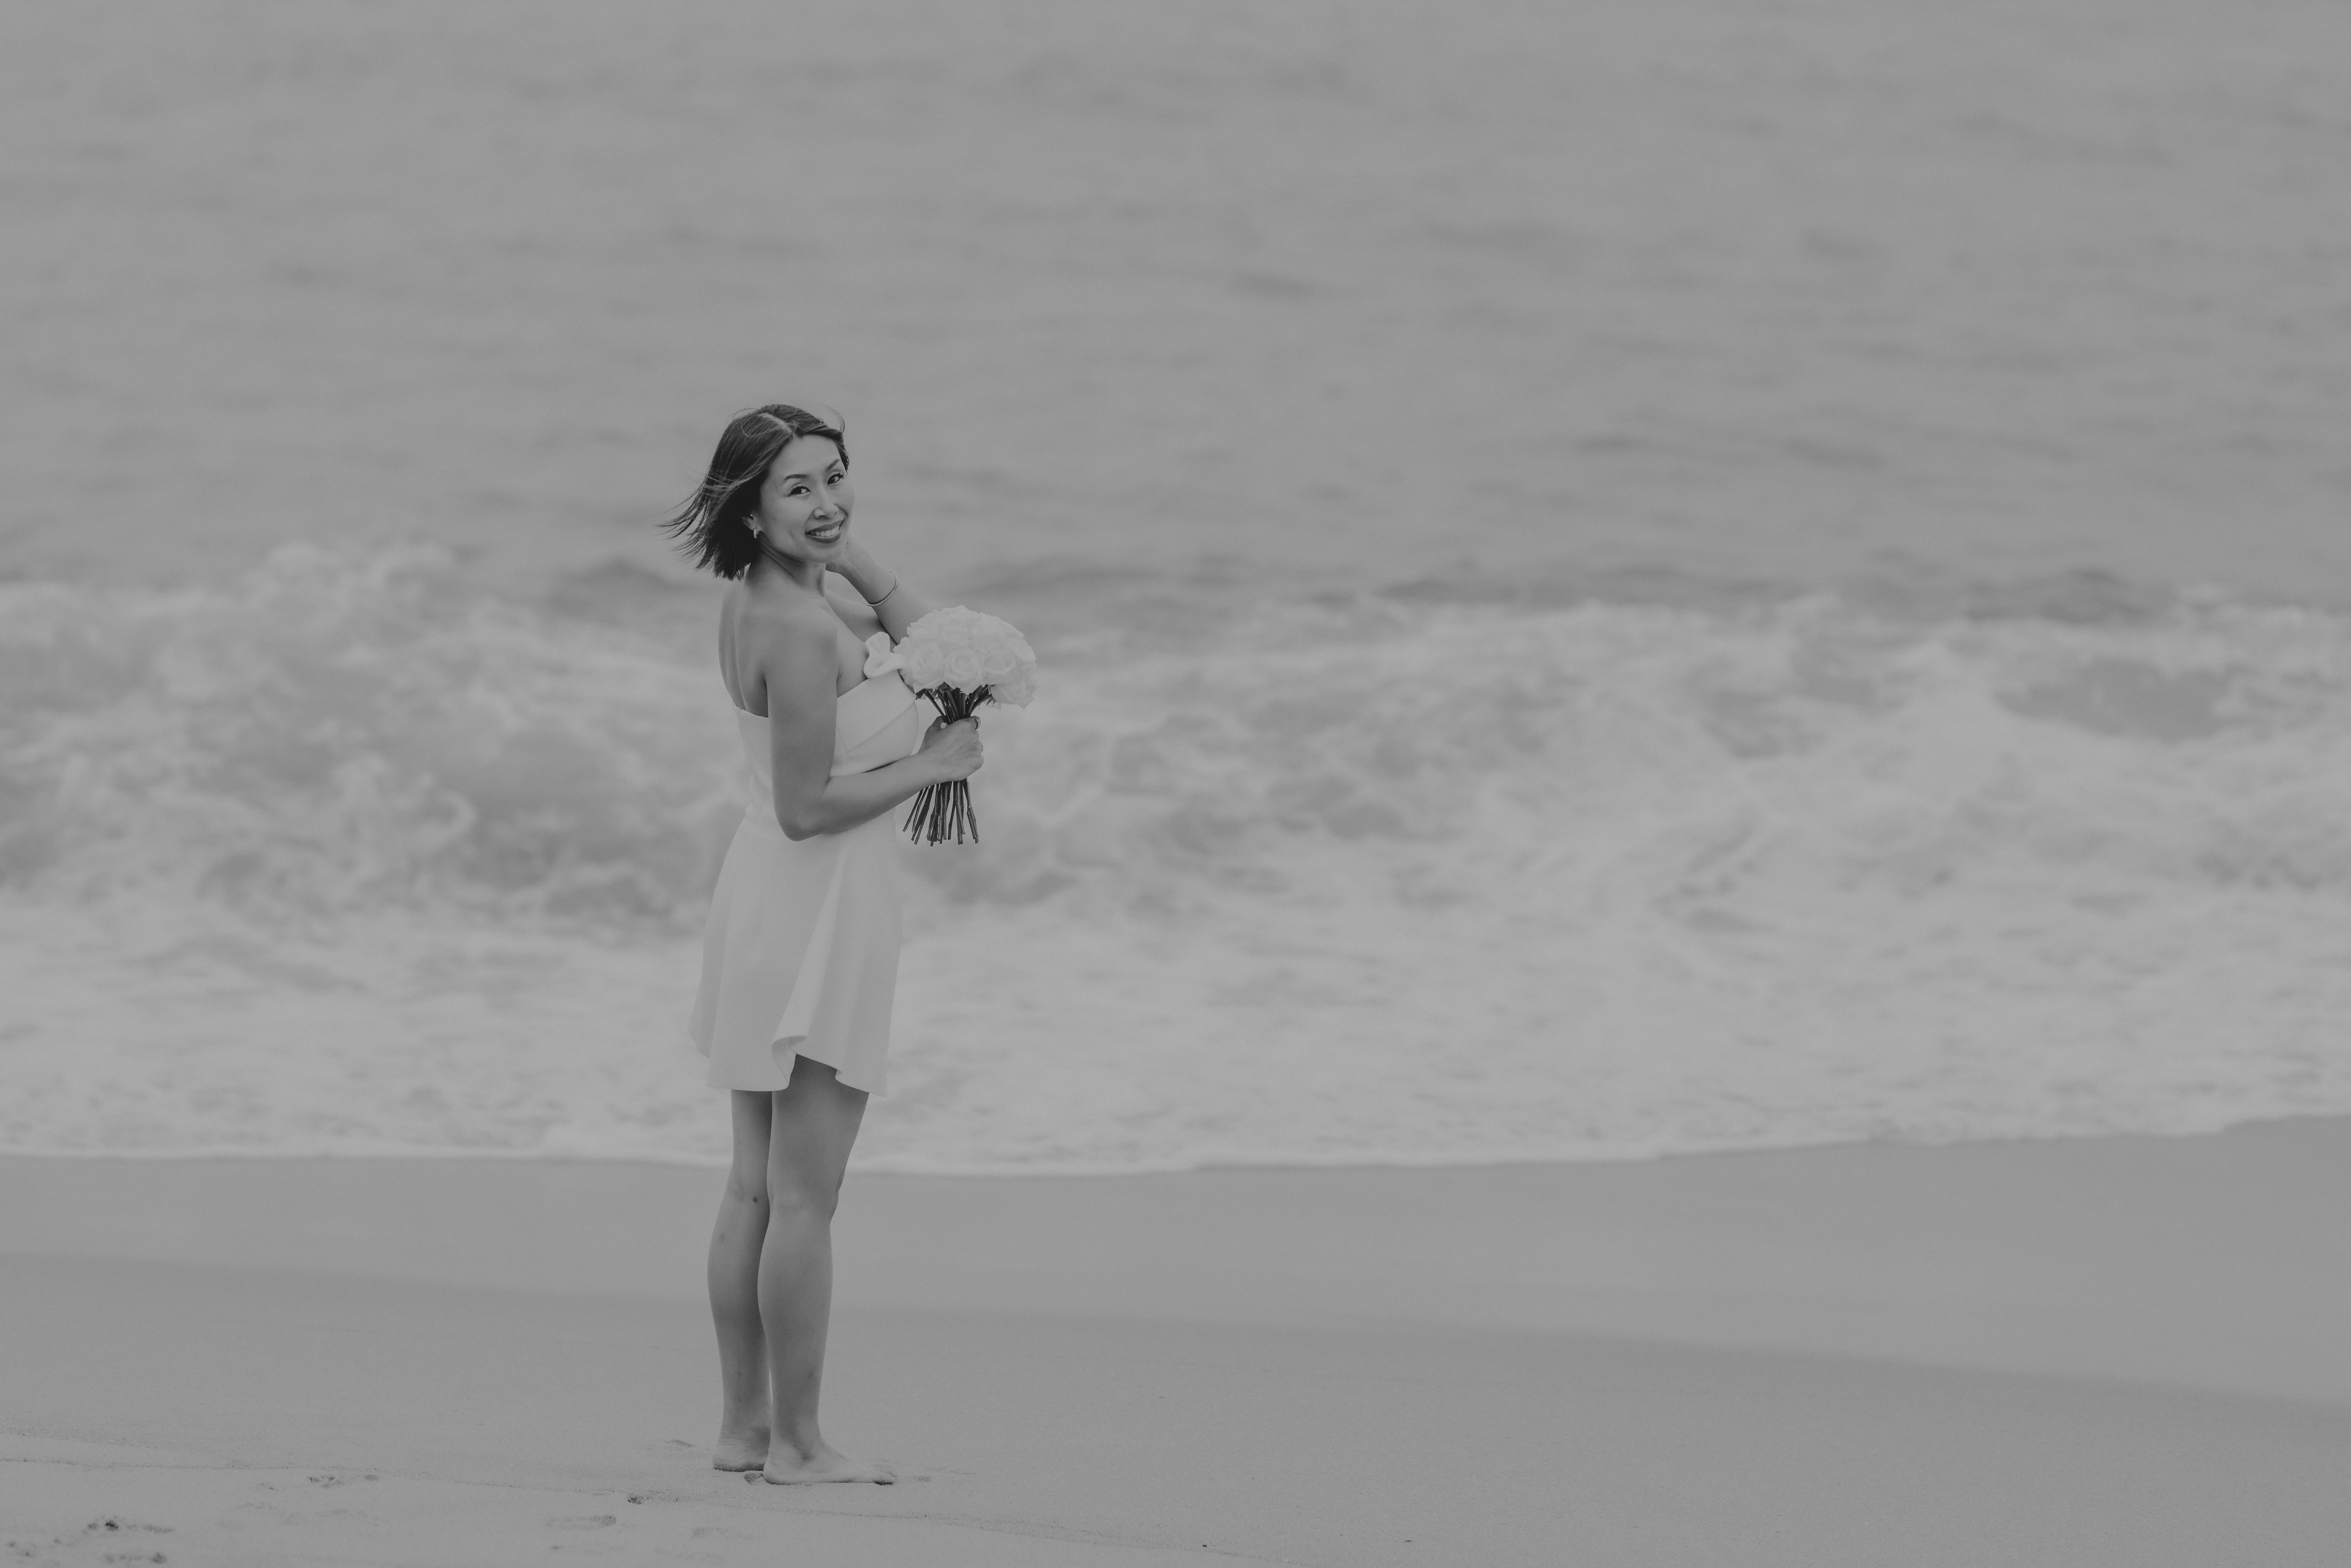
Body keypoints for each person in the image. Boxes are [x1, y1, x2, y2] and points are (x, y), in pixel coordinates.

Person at [664, 403, 982, 1484]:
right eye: (796, 488)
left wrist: (853, 553)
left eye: (837, 477)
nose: (827, 501)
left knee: (755, 1187)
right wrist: (933, 767)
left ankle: (744, 1431)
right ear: (748, 506)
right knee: (802, 1196)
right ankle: (798, 1444)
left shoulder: (775, 601)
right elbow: (809, 805)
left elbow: (942, 646)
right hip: (812, 907)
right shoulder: (799, 629)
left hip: (770, 902)